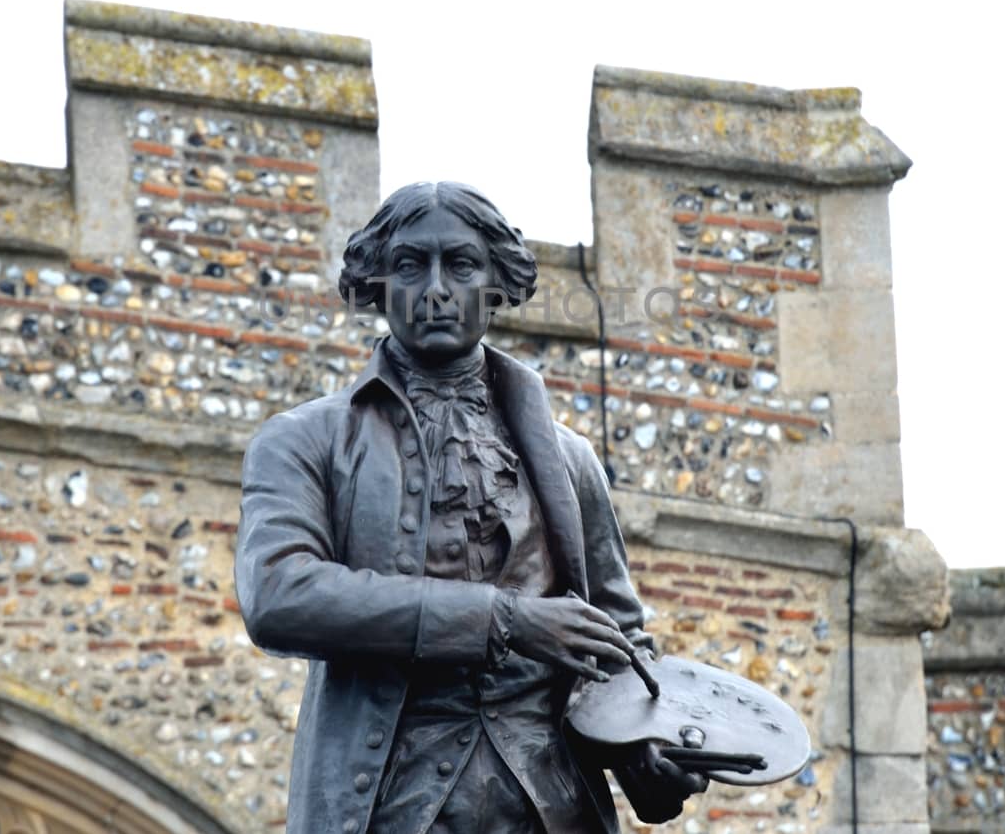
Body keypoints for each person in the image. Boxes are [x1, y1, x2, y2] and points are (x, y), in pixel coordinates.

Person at [236, 181, 707, 834]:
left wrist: (646, 746)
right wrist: (504, 618)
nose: (435, 287)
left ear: (496, 283)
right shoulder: (306, 440)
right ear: (376, 281)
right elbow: (278, 593)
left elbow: (617, 641)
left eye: (460, 264)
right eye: (409, 264)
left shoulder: (569, 462)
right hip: (387, 807)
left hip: (552, 810)